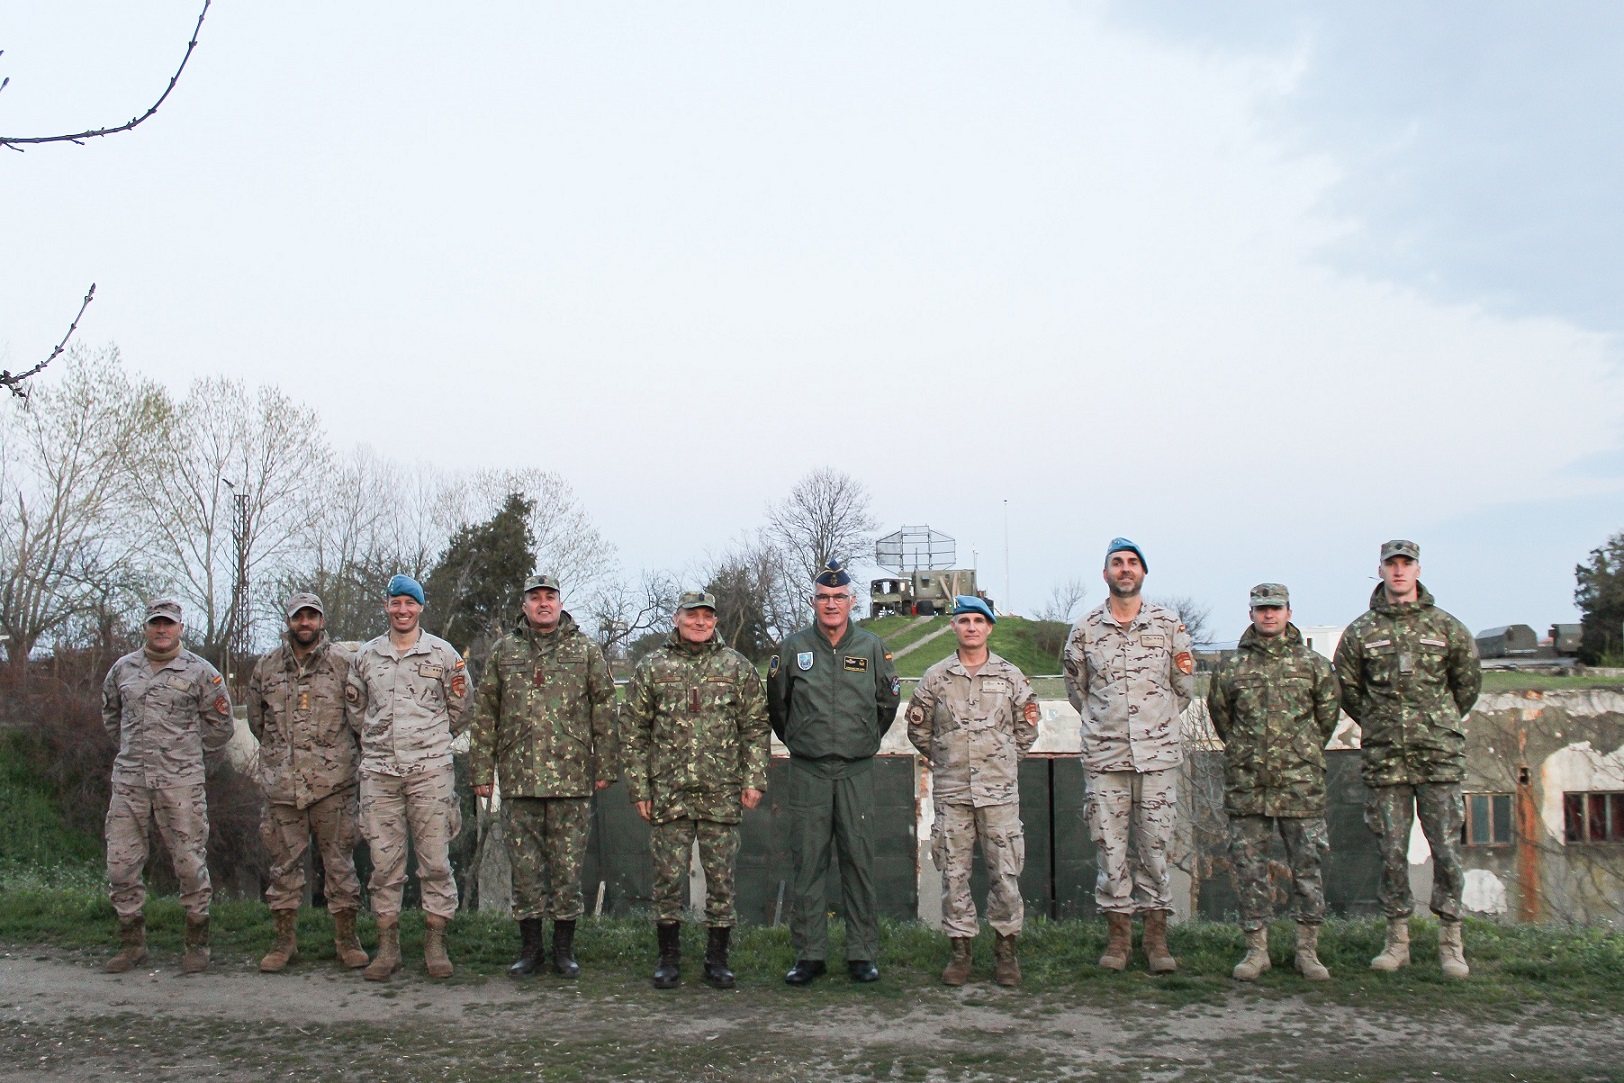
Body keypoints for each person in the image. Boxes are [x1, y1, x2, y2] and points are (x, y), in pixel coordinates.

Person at [1334, 540, 1481, 980]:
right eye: (1392, 565)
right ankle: (1397, 941)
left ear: (1417, 569)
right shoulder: (1361, 632)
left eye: (1406, 564)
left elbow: (1467, 682)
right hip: (1386, 760)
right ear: (1379, 570)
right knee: (1391, 852)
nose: (1399, 572)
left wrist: (1436, 720)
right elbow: (1348, 689)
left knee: (1447, 850)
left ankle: (1451, 942)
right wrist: (1380, 721)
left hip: (1438, 756)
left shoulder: (1446, 627)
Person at [468, 573, 617, 979]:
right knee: (526, 872)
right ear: (524, 605)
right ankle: (530, 950)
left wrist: (605, 764)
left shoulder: (584, 650)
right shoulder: (504, 651)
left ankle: (564, 951)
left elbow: (604, 707)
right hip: (519, 779)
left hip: (570, 780)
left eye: (549, 597)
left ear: (560, 601)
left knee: (568, 871)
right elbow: (485, 714)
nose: (543, 604)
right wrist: (482, 770)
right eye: (535, 598)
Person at [623, 590, 770, 989]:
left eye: (707, 616)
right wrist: (639, 786)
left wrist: (755, 778)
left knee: (721, 879)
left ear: (716, 621)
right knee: (667, 879)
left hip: (720, 791)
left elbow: (755, 727)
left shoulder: (736, 667)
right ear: (677, 618)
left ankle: (717, 958)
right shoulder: (653, 666)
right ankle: (668, 958)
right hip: (668, 791)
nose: (700, 622)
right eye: (692, 616)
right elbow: (633, 730)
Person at [1061, 538, 1193, 973]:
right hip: (1106, 761)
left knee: (1155, 850)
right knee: (1110, 850)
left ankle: (1156, 942)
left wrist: (1152, 725)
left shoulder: (1169, 626)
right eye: (1116, 563)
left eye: (1132, 563)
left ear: (1143, 573)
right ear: (1105, 574)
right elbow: (1078, 692)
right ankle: (1118, 941)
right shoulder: (1084, 630)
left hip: (1157, 760)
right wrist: (1111, 725)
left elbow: (1183, 688)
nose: (1124, 569)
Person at [767, 559, 901, 985]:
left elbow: (887, 705)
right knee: (808, 862)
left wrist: (861, 739)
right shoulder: (792, 648)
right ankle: (810, 955)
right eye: (823, 597)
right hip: (808, 771)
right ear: (813, 601)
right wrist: (802, 739)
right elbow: (777, 706)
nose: (831, 604)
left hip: (856, 771)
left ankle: (862, 953)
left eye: (839, 597)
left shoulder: (872, 648)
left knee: (858, 860)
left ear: (852, 601)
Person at [1206, 583, 1340, 982]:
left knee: (1308, 866)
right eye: (1261, 608)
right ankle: (1256, 950)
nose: (1269, 615)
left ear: (1289, 612)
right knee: (1249, 868)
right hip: (1248, 784)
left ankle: (1307, 950)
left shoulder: (1314, 665)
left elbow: (1326, 719)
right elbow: (1221, 718)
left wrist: (1300, 752)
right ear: (1250, 613)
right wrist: (1249, 752)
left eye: (1276, 608)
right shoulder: (1231, 668)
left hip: (1300, 784)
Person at [906, 595, 1039, 987]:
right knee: (954, 874)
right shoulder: (936, 678)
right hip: (953, 793)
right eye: (964, 621)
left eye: (978, 621)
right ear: (953, 627)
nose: (971, 627)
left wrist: (1000, 759)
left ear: (989, 628)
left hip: (998, 794)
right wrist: (946, 758)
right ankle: (960, 951)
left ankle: (1006, 953)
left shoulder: (1011, 676)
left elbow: (1027, 728)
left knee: (1005, 873)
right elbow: (918, 727)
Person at [345, 574, 471, 980]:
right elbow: (356, 712)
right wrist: (381, 743)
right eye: (396, 603)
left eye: (410, 604)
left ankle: (435, 944)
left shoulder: (443, 654)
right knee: (384, 864)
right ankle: (388, 947)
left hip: (430, 771)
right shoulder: (366, 656)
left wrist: (431, 741)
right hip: (380, 772)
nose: (403, 610)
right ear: (387, 606)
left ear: (420, 608)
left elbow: (462, 708)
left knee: (435, 860)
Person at [100, 599, 235, 974]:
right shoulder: (123, 670)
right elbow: (111, 714)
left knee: (189, 863)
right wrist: (133, 751)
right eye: (155, 623)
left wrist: (187, 757)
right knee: (120, 865)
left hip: (180, 783)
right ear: (145, 627)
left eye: (168, 624)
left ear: (179, 628)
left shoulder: (200, 673)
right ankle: (132, 944)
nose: (162, 630)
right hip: (130, 781)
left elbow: (220, 727)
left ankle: (196, 943)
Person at [245, 592, 368, 973]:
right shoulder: (266, 667)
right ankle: (284, 942)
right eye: (299, 617)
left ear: (322, 621)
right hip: (283, 787)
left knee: (340, 866)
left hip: (334, 786)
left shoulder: (344, 665)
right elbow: (256, 721)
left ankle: (347, 941)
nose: (305, 623)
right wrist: (282, 758)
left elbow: (360, 718)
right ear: (289, 621)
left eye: (312, 616)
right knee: (283, 868)